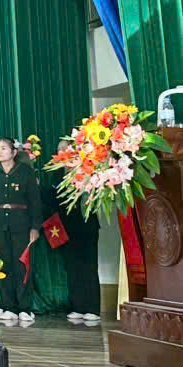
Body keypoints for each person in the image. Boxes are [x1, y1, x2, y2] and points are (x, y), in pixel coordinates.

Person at [0, 136, 42, 323]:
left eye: (4, 148)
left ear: (14, 152)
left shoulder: (25, 171)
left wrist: (35, 226)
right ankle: (8, 306)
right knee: (3, 265)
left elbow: (35, 201)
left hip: (21, 225)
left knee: (22, 265)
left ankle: (25, 307)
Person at [51, 138, 101, 322]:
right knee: (72, 267)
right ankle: (78, 306)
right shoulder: (57, 175)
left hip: (86, 227)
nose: (62, 152)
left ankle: (92, 308)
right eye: (59, 149)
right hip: (66, 228)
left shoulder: (85, 169)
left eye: (66, 148)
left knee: (88, 266)